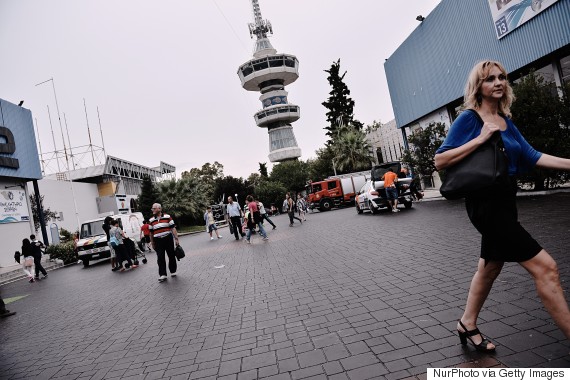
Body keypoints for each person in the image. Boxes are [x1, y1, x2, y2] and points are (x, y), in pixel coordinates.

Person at [435, 60, 570, 352]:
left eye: (502, 77)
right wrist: (481, 138)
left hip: (506, 201)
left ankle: (467, 323)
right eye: (490, 79)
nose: (498, 82)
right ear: (479, 87)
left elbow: (532, 155)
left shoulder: (506, 119)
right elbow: (440, 159)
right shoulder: (470, 118)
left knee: (491, 266)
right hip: (486, 204)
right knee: (547, 268)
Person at [149, 203, 180, 282]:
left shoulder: (167, 217)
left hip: (168, 238)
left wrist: (176, 239)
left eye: (154, 208)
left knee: (171, 255)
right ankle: (163, 274)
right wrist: (152, 242)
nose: (152, 210)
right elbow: (151, 233)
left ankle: (173, 271)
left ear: (159, 209)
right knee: (160, 257)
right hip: (158, 240)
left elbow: (173, 228)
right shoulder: (151, 220)